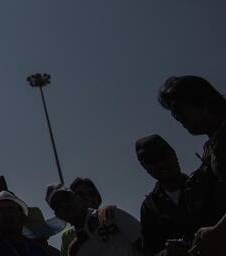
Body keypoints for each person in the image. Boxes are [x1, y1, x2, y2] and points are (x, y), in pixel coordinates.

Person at [158, 76, 226, 255]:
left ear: (201, 100)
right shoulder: (212, 148)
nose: (177, 117)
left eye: (178, 109)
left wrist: (219, 232)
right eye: (173, 113)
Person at [134, 134, 200, 256]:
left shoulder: (203, 184)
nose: (161, 164)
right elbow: (149, 251)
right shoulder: (149, 208)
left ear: (174, 154)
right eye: (152, 161)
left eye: (163, 156)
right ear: (146, 168)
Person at [47, 184, 142, 256]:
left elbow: (146, 244)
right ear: (58, 215)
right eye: (58, 205)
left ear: (78, 197)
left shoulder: (109, 214)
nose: (65, 205)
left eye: (67, 197)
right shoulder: (74, 250)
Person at [60, 178, 107, 256]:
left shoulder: (110, 216)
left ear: (98, 198)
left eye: (91, 193)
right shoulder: (68, 236)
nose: (87, 197)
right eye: (80, 194)